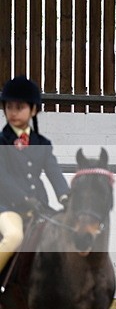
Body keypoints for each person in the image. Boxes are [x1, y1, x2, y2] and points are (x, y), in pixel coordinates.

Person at [0, 76, 70, 283]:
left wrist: (66, 197)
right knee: (14, 237)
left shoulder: (42, 143)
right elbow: (2, 178)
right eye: (9, 107)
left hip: (39, 206)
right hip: (7, 207)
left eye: (19, 107)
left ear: (33, 110)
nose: (13, 112)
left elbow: (54, 172)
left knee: (64, 233)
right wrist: (23, 198)